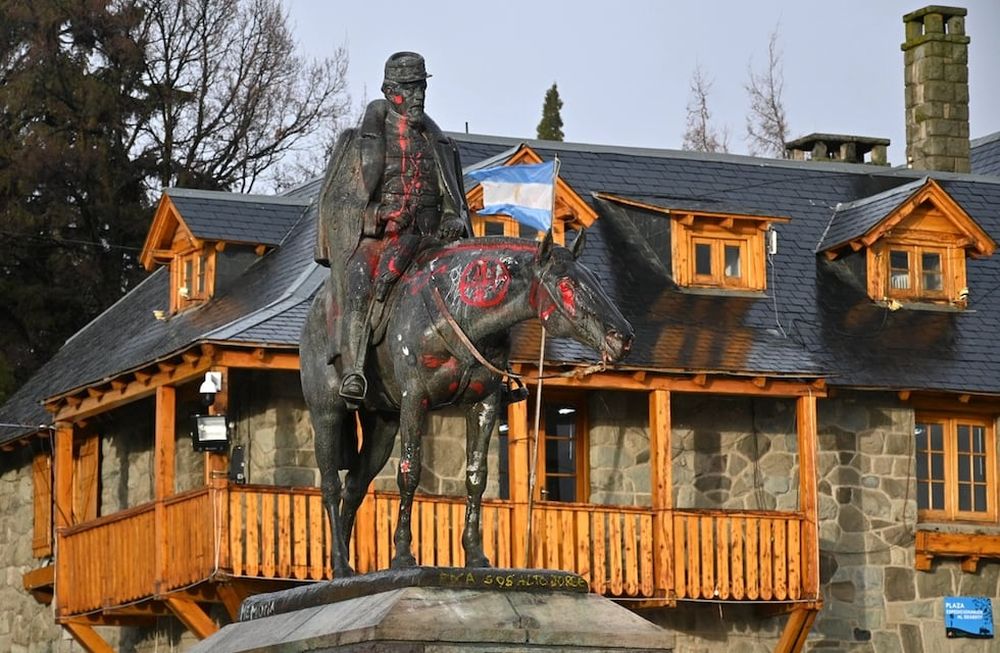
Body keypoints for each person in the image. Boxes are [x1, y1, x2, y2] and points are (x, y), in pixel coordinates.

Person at [314, 52, 471, 408]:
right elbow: (337, 204)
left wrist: (453, 220)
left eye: (421, 87)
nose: (418, 96)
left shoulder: (442, 145)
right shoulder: (357, 142)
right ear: (389, 90)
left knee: (476, 288)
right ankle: (354, 370)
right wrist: (377, 213)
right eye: (409, 88)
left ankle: (489, 372)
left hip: (431, 241)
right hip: (378, 240)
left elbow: (454, 202)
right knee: (359, 286)